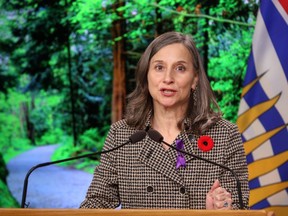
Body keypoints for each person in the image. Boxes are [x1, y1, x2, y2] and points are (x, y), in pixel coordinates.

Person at [80, 31, 249, 210]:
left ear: (195, 79)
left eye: (180, 68)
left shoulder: (225, 134)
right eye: (159, 67)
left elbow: (241, 207)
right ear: (147, 75)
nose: (168, 79)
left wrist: (219, 212)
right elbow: (96, 203)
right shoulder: (121, 134)